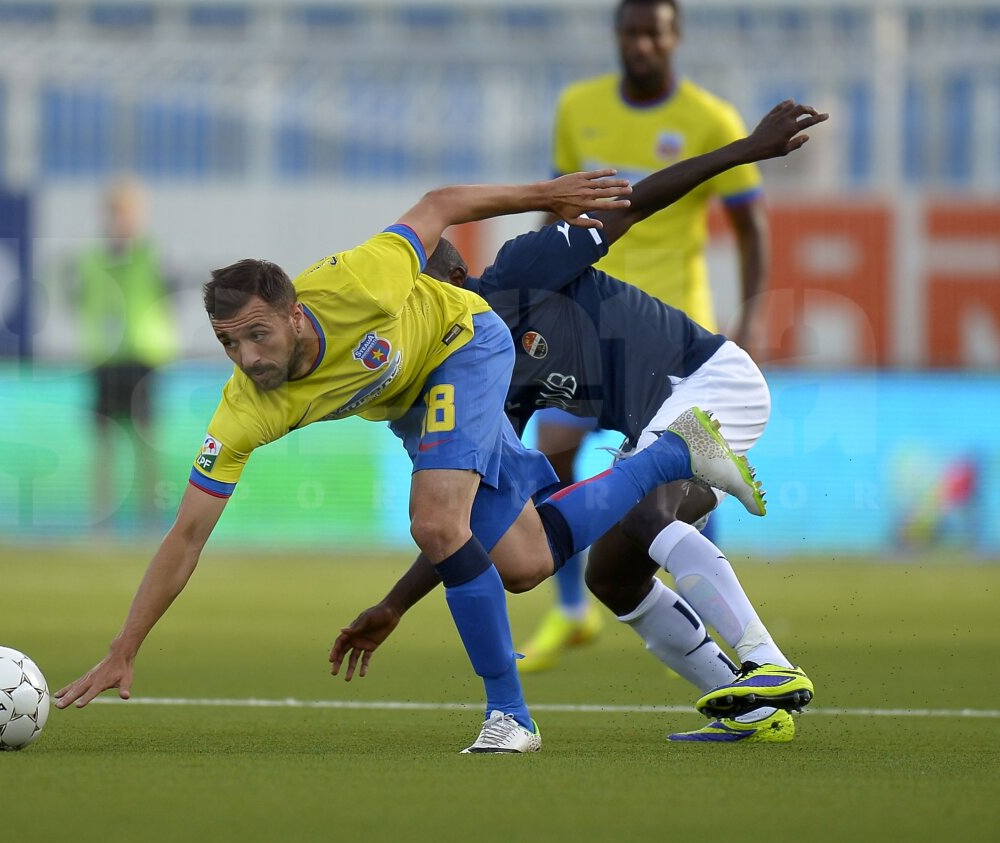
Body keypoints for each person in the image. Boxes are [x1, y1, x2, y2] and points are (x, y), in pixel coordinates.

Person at [53, 170, 765, 753]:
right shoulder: (245, 407)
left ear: (296, 314)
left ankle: (509, 717)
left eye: (257, 335)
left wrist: (546, 196)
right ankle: (678, 449)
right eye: (228, 343)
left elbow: (440, 204)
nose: (248, 358)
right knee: (523, 562)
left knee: (435, 522)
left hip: (467, 342)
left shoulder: (360, 280)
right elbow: (185, 536)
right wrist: (124, 645)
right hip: (409, 400)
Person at [329, 100, 826, 742]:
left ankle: (767, 664)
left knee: (644, 507)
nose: (416, 314)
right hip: (659, 420)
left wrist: (745, 149)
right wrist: (395, 604)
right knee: (611, 575)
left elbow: (634, 204)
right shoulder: (478, 373)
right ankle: (756, 711)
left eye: (424, 294)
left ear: (458, 276)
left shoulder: (518, 273)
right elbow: (463, 516)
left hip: (707, 380)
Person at [523, 0, 771, 671]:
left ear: (674, 38)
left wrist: (750, 317)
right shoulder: (578, 107)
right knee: (553, 445)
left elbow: (749, 228)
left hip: (671, 329)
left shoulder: (708, 118)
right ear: (617, 37)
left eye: (651, 32)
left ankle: (719, 621)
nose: (639, 44)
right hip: (587, 327)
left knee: (675, 482)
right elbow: (559, 212)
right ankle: (572, 608)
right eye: (630, 31)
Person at [77, 177, 177, 528]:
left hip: (142, 358)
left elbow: (167, 297)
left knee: (146, 442)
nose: (122, 221)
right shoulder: (92, 260)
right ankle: (101, 520)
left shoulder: (150, 255)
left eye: (129, 213)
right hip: (105, 359)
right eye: (117, 213)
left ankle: (151, 520)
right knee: (104, 445)